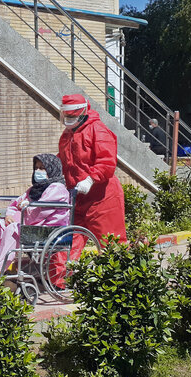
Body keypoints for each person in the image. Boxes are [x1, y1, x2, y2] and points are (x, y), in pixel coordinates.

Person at [0, 153, 70, 277]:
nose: (38, 171)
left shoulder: (57, 189)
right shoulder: (34, 189)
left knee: (13, 228)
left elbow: (38, 213)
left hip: (48, 231)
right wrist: (9, 215)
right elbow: (15, 204)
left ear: (52, 169)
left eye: (42, 168)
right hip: (33, 227)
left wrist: (22, 211)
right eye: (36, 168)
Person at [56, 94, 127, 261]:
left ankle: (119, 285)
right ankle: (60, 284)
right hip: (78, 199)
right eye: (66, 116)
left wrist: (90, 179)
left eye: (71, 116)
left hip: (103, 199)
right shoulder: (67, 135)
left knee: (112, 246)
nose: (68, 119)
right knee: (66, 245)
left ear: (82, 113)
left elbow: (107, 161)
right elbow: (64, 160)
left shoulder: (98, 130)